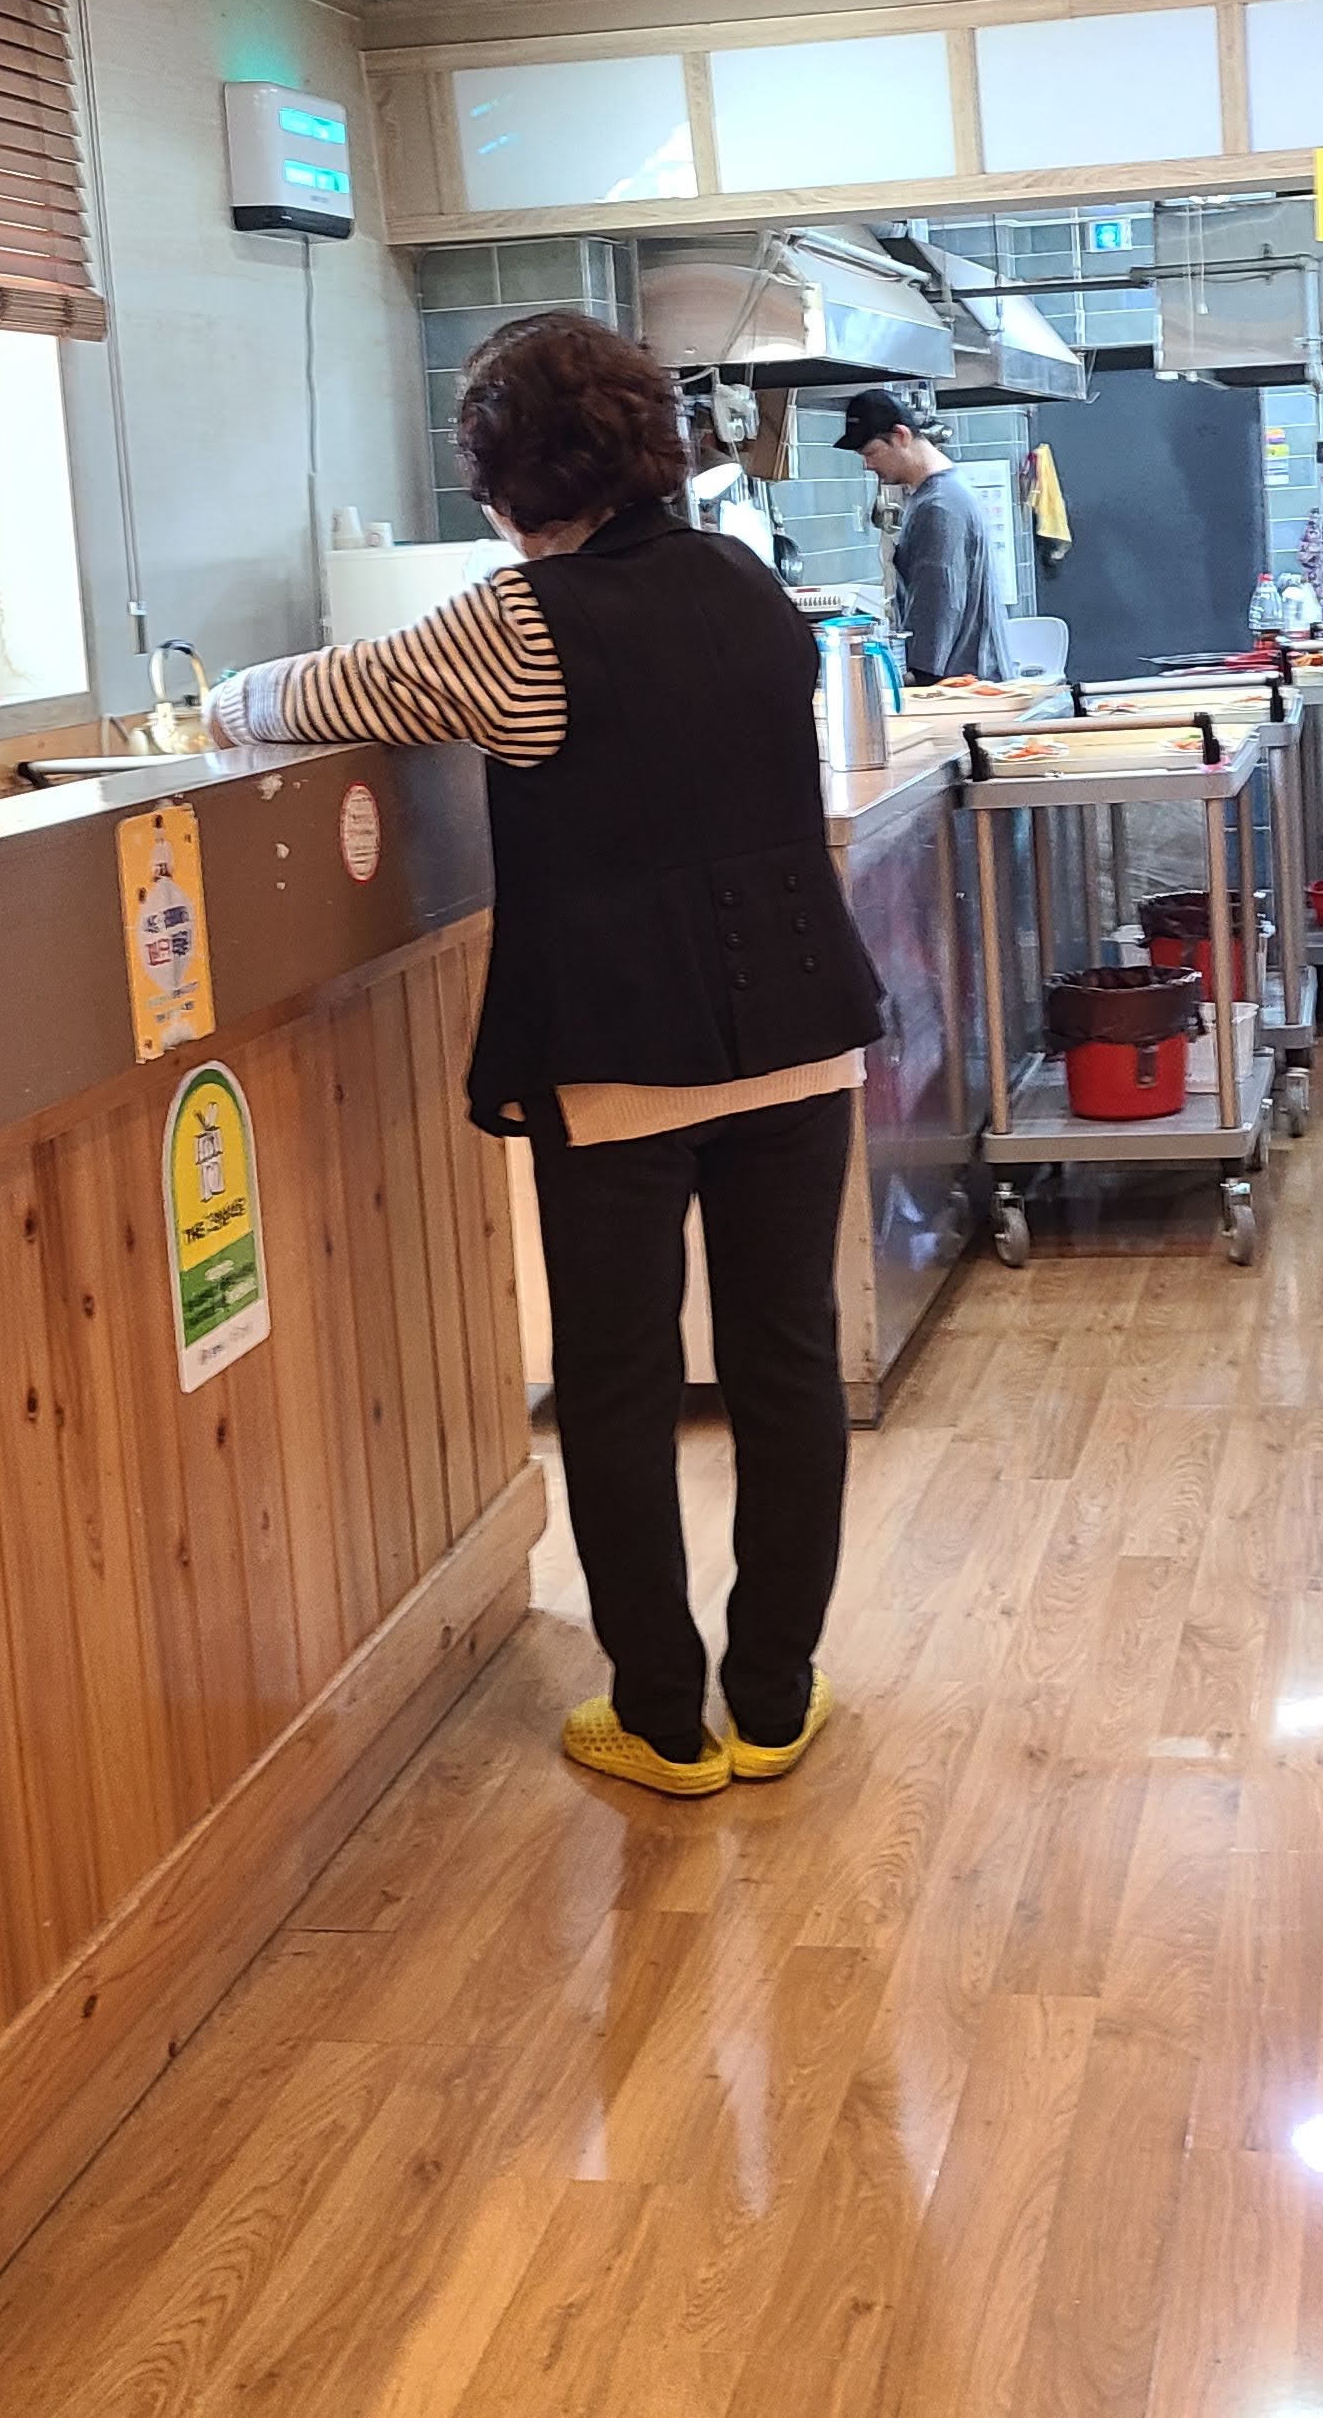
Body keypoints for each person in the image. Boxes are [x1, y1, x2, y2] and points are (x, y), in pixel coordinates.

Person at [208, 312, 886, 1798]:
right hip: (797, 1036)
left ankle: (663, 1722)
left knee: (619, 1384)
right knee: (786, 1367)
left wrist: (208, 699)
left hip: (622, 1056)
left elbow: (300, 697)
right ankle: (774, 1701)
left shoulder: (520, 621)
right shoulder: (749, 581)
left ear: (501, 474)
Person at [838, 388, 1007, 684]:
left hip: (959, 688)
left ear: (901, 435)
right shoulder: (940, 492)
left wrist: (918, 678)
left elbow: (938, 602)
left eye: (871, 453)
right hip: (964, 679)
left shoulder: (939, 506)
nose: (867, 465)